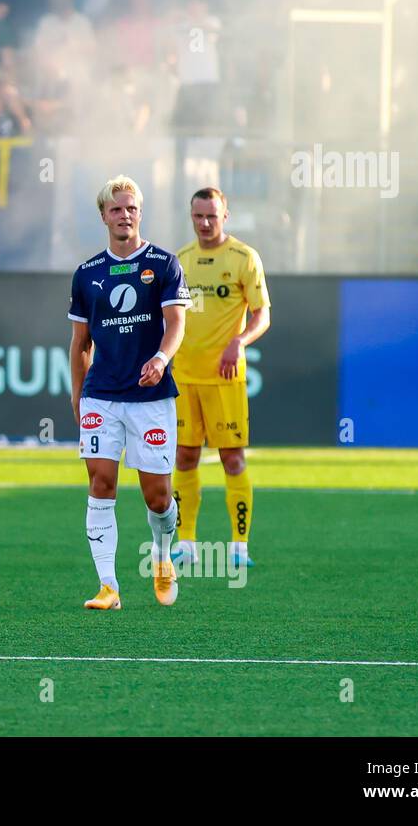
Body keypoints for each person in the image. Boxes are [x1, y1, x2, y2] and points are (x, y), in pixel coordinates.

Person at [68, 176, 191, 611]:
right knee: (101, 482)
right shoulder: (86, 275)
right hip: (101, 396)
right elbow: (80, 343)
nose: (125, 216)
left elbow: (176, 323)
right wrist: (78, 397)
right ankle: (108, 586)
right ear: (103, 216)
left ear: (140, 213)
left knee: (157, 496)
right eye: (117, 209)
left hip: (151, 398)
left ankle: (161, 559)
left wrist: (160, 359)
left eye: (132, 208)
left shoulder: (164, 263)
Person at [171, 188, 271, 570]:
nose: (206, 223)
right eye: (199, 217)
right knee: (184, 456)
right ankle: (186, 542)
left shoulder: (244, 258)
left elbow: (262, 315)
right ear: (191, 216)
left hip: (225, 376)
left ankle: (239, 545)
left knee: (232, 458)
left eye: (212, 216)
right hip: (184, 376)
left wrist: (239, 341)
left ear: (225, 215)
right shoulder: (179, 262)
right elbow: (170, 316)